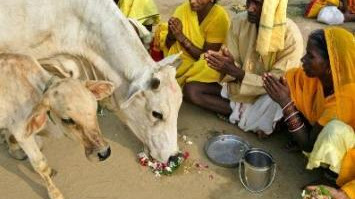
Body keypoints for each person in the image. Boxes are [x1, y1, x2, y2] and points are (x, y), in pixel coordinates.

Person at [263, 27, 355, 197]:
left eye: (311, 56)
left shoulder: (347, 96)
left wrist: (286, 104)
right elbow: (293, 80)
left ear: (330, 66)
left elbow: (308, 145)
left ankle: (331, 178)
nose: (303, 59)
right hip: (321, 133)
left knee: (334, 131)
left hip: (350, 157)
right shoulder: (319, 78)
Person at [190, 0, 303, 137]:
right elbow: (233, 63)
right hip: (239, 87)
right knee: (192, 90)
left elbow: (278, 83)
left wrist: (236, 72)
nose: (250, 8)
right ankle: (246, 116)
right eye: (249, 1)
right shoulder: (239, 21)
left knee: (281, 101)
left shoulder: (291, 36)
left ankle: (241, 114)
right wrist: (226, 65)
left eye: (257, 4)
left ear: (272, 7)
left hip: (267, 95)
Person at [156, 0, 230, 86]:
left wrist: (182, 38)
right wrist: (171, 34)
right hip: (179, 64)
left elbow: (208, 58)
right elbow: (169, 46)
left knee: (207, 71)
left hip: (204, 66)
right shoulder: (183, 10)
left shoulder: (219, 16)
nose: (192, 1)